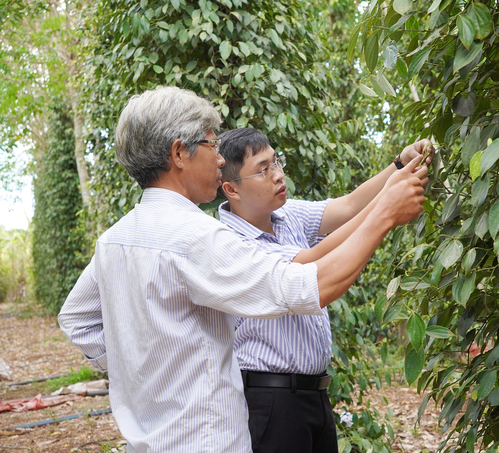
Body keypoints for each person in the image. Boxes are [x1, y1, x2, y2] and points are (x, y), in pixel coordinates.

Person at [57, 86, 428, 453]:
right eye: (211, 145)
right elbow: (305, 286)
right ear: (178, 153)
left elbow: (76, 319)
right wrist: (384, 215)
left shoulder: (115, 239)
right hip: (206, 440)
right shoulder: (197, 237)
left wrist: (139, 370)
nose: (219, 160)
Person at [216, 128, 432, 453]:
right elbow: (309, 265)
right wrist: (387, 209)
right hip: (270, 400)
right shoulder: (230, 242)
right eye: (263, 170)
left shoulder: (287, 216)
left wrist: (399, 165)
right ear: (231, 188)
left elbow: (349, 206)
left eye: (276, 163)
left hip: (313, 394)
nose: (278, 175)